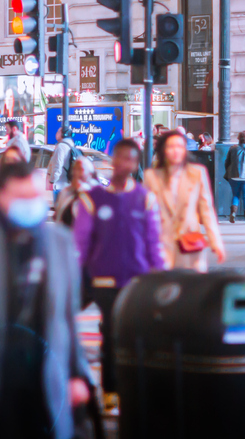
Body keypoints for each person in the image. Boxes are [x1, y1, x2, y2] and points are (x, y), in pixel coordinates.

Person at [0, 156, 93, 439]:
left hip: (48, 370)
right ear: (0, 198)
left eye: (35, 196)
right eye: (21, 196)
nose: (31, 203)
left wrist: (77, 373)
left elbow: (67, 315)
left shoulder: (59, 243)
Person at [73, 140, 163, 412]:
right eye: (120, 158)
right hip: (104, 281)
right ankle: (111, 390)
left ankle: (135, 388)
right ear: (113, 160)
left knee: (136, 336)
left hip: (139, 280)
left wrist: (160, 274)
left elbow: (153, 242)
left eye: (130, 160)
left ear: (136, 164)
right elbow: (80, 244)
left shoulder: (145, 198)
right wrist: (76, 276)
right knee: (112, 335)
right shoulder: (93, 199)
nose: (124, 164)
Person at [144, 130, 225, 270]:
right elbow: (145, 212)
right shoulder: (151, 176)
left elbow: (207, 210)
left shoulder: (197, 173)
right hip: (161, 245)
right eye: (171, 147)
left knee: (192, 289)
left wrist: (215, 241)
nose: (176, 151)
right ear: (163, 150)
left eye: (180, 146)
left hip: (190, 243)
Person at [223, 131, 245, 223]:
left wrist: (229, 171)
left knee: (235, 195)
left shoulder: (232, 148)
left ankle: (233, 214)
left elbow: (227, 162)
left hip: (233, 175)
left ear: (238, 138)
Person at [53, 156, 95, 227]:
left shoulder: (92, 191)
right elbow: (57, 215)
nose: (76, 173)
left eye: (80, 169)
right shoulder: (66, 190)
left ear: (89, 174)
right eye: (74, 169)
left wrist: (80, 190)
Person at [47, 126, 77, 197]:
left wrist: (52, 180)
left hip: (59, 185)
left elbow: (58, 165)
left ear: (63, 134)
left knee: (58, 206)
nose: (56, 133)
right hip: (68, 184)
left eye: (58, 132)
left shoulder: (61, 147)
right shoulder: (71, 145)